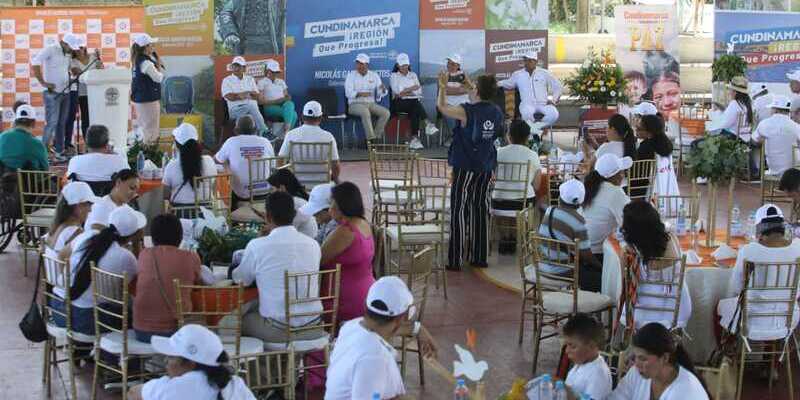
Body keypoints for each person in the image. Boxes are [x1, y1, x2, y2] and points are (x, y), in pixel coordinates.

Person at [232, 191, 326, 343]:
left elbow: (241, 280)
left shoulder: (257, 246)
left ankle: (268, 366)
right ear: (294, 214)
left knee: (236, 321)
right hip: (314, 327)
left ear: (268, 217)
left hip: (279, 330)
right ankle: (283, 364)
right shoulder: (313, 245)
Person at [325, 276, 437, 400]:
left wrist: (418, 329)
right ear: (401, 319)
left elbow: (385, 329)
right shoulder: (375, 358)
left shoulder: (352, 327)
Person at [438, 72, 503, 270]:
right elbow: (477, 97)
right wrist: (468, 84)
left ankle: (455, 259)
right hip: (485, 165)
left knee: (458, 208)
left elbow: (443, 107)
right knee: (480, 208)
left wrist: (442, 87)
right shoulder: (496, 111)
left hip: (465, 165)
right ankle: (479, 256)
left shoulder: (466, 111)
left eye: (474, 85)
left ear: (479, 90)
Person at [52, 206, 144, 336]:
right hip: (84, 320)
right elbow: (135, 289)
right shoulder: (126, 258)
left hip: (58, 308)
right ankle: (109, 354)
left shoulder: (88, 235)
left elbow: (61, 255)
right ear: (133, 235)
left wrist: (70, 281)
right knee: (137, 318)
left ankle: (85, 350)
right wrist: (136, 245)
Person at [717, 204, 800, 338]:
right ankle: (773, 355)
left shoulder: (749, 250)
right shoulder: (798, 248)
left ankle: (728, 355)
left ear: (759, 229)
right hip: (787, 321)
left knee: (721, 305)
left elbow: (736, 288)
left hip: (753, 320)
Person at [128, 324, 256, 400]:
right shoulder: (235, 383)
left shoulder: (176, 387)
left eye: (172, 357)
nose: (166, 361)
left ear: (191, 363)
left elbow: (133, 393)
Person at [134, 214, 206, 343]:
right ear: (180, 235)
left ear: (153, 237)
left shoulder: (144, 254)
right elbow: (199, 286)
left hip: (141, 331)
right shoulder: (191, 257)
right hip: (176, 332)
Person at [620, 201, 692, 330]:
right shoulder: (672, 238)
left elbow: (625, 285)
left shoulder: (630, 253)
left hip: (643, 314)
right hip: (676, 310)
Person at [608, 322, 709, 399]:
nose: (636, 364)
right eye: (635, 357)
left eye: (643, 359)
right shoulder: (637, 373)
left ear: (665, 358)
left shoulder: (686, 391)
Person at [320, 182, 375, 324]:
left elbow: (318, 260)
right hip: (366, 293)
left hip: (342, 300)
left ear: (340, 207)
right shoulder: (363, 223)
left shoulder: (345, 231)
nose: (329, 208)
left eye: (331, 203)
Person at [536, 179, 604, 292]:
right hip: (561, 271)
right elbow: (586, 255)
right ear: (581, 202)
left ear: (560, 198)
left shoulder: (550, 210)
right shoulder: (578, 222)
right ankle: (584, 305)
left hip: (541, 265)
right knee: (600, 279)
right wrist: (602, 268)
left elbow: (541, 205)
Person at [492, 120, 541, 253]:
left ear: (509, 135)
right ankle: (517, 237)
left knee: (500, 201)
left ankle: (504, 237)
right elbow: (537, 185)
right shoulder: (533, 155)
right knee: (528, 200)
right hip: (523, 203)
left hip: (499, 202)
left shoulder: (498, 152)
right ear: (527, 137)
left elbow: (491, 178)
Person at [32, 33, 81, 161]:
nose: (71, 49)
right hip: (51, 93)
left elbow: (68, 67)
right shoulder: (51, 49)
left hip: (66, 92)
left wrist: (74, 70)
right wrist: (43, 82)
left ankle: (59, 152)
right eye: (70, 47)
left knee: (61, 123)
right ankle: (41, 154)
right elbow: (35, 61)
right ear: (64, 43)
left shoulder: (68, 53)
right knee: (52, 123)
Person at [214, 115, 275, 207]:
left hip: (242, 194)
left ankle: (232, 218)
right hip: (266, 191)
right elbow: (273, 165)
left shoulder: (231, 142)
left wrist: (227, 164)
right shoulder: (265, 141)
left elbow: (217, 160)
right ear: (255, 129)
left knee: (223, 188)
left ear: (236, 130)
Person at [583, 154, 631, 264]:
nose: (623, 175)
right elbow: (630, 223)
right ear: (613, 176)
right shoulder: (615, 193)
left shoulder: (590, 187)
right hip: (599, 255)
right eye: (621, 172)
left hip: (582, 250)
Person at [278, 101, 341, 184]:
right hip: (322, 184)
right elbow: (335, 165)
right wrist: (335, 179)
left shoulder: (291, 135)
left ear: (302, 116)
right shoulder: (329, 136)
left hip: (296, 185)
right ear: (321, 117)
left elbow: (280, 161)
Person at [498, 51, 562, 127]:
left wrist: (554, 100)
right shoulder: (518, 74)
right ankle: (536, 131)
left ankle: (536, 129)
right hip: (527, 105)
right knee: (526, 114)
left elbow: (557, 86)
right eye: (525, 60)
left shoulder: (544, 73)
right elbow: (508, 83)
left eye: (530, 60)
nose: (527, 62)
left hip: (543, 104)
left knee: (554, 114)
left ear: (536, 62)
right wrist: (495, 83)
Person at [162, 123, 217, 209]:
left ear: (176, 144)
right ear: (197, 141)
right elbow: (213, 186)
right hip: (208, 214)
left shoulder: (171, 166)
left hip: (180, 215)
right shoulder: (209, 161)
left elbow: (165, 194)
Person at [390, 53, 437, 150]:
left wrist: (406, 91)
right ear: (398, 65)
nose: (405, 67)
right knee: (415, 103)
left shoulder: (413, 75)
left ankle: (415, 139)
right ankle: (427, 123)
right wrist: (412, 89)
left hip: (411, 102)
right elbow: (398, 92)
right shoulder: (394, 76)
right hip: (399, 104)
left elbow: (419, 91)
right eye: (402, 65)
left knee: (414, 109)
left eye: (406, 65)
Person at [561, 313, 613, 400]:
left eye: (572, 346)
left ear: (591, 346)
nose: (567, 351)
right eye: (566, 345)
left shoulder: (598, 375)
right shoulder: (582, 362)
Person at [44, 182, 99, 262]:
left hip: (53, 274)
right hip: (65, 274)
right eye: (89, 204)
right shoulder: (76, 233)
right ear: (78, 206)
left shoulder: (53, 230)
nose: (90, 210)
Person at [344, 53, 390, 143]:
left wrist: (383, 90)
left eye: (361, 63)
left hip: (370, 103)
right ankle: (370, 139)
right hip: (354, 104)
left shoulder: (374, 75)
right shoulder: (351, 75)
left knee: (386, 113)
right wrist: (360, 94)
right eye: (357, 63)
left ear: (367, 64)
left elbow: (380, 93)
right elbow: (348, 93)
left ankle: (376, 137)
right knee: (365, 112)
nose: (359, 66)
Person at [752, 95, 800, 177]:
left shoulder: (764, 124)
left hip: (773, 169)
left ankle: (754, 171)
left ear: (775, 109)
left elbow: (754, 140)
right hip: (793, 169)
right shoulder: (795, 126)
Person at [221, 56, 268, 136]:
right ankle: (264, 131)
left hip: (252, 111)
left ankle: (249, 142)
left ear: (244, 68)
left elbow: (257, 97)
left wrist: (244, 94)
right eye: (234, 65)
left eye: (239, 66)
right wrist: (248, 94)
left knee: (250, 118)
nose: (236, 68)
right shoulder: (227, 80)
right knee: (250, 107)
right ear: (232, 67)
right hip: (235, 109)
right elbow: (230, 97)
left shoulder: (250, 79)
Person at [218, 0, 284, 55]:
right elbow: (225, 12)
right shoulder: (237, 1)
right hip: (248, 46)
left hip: (271, 46)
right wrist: (230, 33)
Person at [131, 33, 164, 145]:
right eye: (151, 45)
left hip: (142, 99)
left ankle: (146, 155)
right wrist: (158, 66)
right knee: (151, 131)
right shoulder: (146, 63)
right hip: (148, 100)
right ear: (145, 47)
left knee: (146, 129)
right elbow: (158, 78)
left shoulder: (138, 60)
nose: (153, 47)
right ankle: (150, 157)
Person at [635, 114, 679, 197]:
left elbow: (638, 173)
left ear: (650, 132)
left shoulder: (645, 147)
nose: (636, 130)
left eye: (639, 128)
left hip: (644, 189)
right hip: (667, 186)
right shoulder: (667, 145)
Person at [266, 169, 318, 239]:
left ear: (282, 188)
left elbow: (284, 230)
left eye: (272, 189)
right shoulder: (295, 199)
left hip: (302, 241)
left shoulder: (293, 203)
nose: (270, 192)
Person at [69, 44, 103, 148]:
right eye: (76, 48)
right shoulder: (72, 61)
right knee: (86, 118)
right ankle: (88, 143)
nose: (79, 50)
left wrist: (99, 60)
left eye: (81, 47)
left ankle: (98, 142)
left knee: (96, 118)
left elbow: (101, 70)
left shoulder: (93, 57)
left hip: (96, 92)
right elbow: (80, 74)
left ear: (85, 47)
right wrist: (93, 72)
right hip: (82, 93)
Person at [0, 104, 49, 171]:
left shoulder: (2, 137)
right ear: (33, 123)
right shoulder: (37, 144)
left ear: (15, 121)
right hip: (29, 181)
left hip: (2, 179)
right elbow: (46, 170)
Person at [257, 59, 296, 137]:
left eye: (276, 72)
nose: (275, 74)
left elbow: (286, 97)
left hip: (283, 106)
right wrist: (277, 101)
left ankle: (286, 133)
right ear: (268, 71)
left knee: (290, 104)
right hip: (269, 108)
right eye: (273, 72)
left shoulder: (281, 82)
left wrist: (287, 97)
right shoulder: (262, 82)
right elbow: (260, 102)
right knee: (294, 114)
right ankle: (287, 135)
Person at [443, 54, 473, 137]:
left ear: (458, 66)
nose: (449, 66)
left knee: (470, 112)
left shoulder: (463, 74)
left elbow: (470, 88)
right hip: (448, 103)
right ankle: (455, 137)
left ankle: (464, 137)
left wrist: (454, 90)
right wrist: (461, 90)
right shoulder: (444, 75)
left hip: (464, 102)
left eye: (452, 64)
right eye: (448, 63)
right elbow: (444, 91)